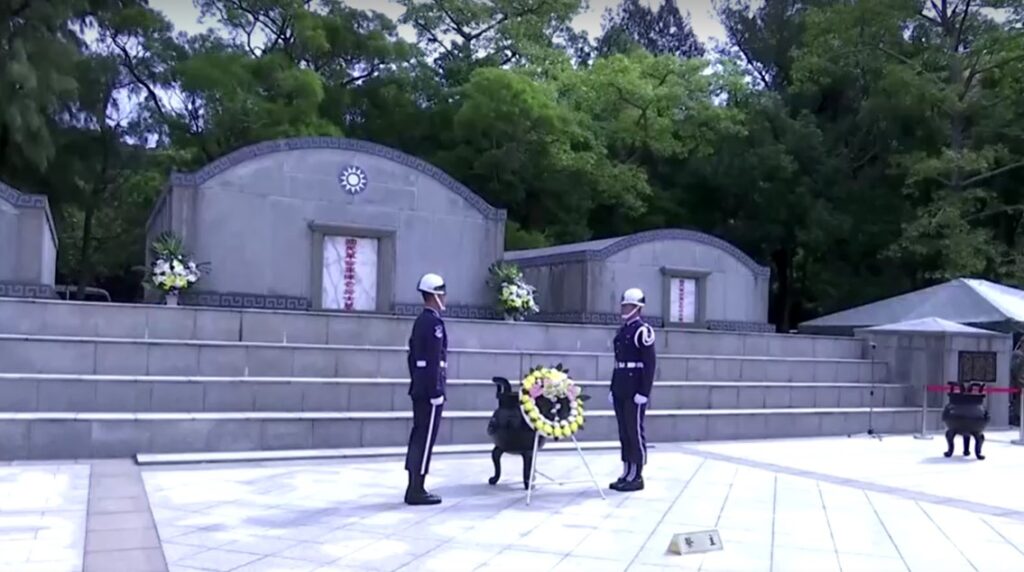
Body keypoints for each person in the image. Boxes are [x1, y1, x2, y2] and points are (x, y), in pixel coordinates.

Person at [404, 273, 448, 505]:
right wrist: (435, 391)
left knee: (419, 435)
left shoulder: (421, 321)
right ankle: (417, 489)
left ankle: (414, 485)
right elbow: (432, 361)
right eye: (442, 294)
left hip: (420, 387)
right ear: (435, 296)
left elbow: (412, 359)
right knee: (425, 437)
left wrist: (419, 383)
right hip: (430, 390)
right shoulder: (433, 323)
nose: (446, 298)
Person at [609, 287, 656, 492]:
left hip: (634, 386)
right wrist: (613, 388)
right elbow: (618, 362)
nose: (624, 308)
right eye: (623, 305)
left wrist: (644, 392)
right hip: (621, 384)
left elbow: (650, 364)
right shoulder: (622, 330)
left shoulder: (643, 331)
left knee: (634, 431)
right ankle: (626, 471)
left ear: (637, 308)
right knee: (624, 431)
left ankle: (637, 474)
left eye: (628, 305)